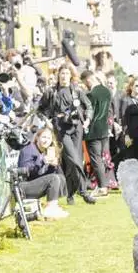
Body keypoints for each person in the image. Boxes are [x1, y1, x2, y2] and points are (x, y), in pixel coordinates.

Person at [42, 63, 97, 205]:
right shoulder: (51, 91)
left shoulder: (77, 90)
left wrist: (87, 120)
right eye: (62, 73)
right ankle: (84, 192)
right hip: (61, 128)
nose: (64, 76)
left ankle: (70, 193)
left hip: (76, 126)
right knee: (74, 159)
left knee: (74, 161)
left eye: (67, 73)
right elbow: (40, 109)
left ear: (71, 75)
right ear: (58, 75)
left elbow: (89, 106)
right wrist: (47, 121)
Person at [16, 127, 69, 219]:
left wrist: (52, 165)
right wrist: (42, 161)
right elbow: (25, 171)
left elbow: (43, 175)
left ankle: (54, 206)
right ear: (37, 138)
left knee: (59, 177)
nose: (46, 140)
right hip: (23, 188)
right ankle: (50, 209)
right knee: (53, 178)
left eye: (49, 138)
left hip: (32, 184)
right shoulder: (28, 150)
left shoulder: (44, 151)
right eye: (44, 137)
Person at [81, 70, 113, 194]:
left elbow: (88, 112)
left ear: (88, 79)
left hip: (93, 131)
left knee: (96, 159)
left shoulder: (91, 94)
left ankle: (102, 187)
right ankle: (104, 184)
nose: (85, 85)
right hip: (104, 130)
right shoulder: (107, 91)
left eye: (85, 82)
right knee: (102, 158)